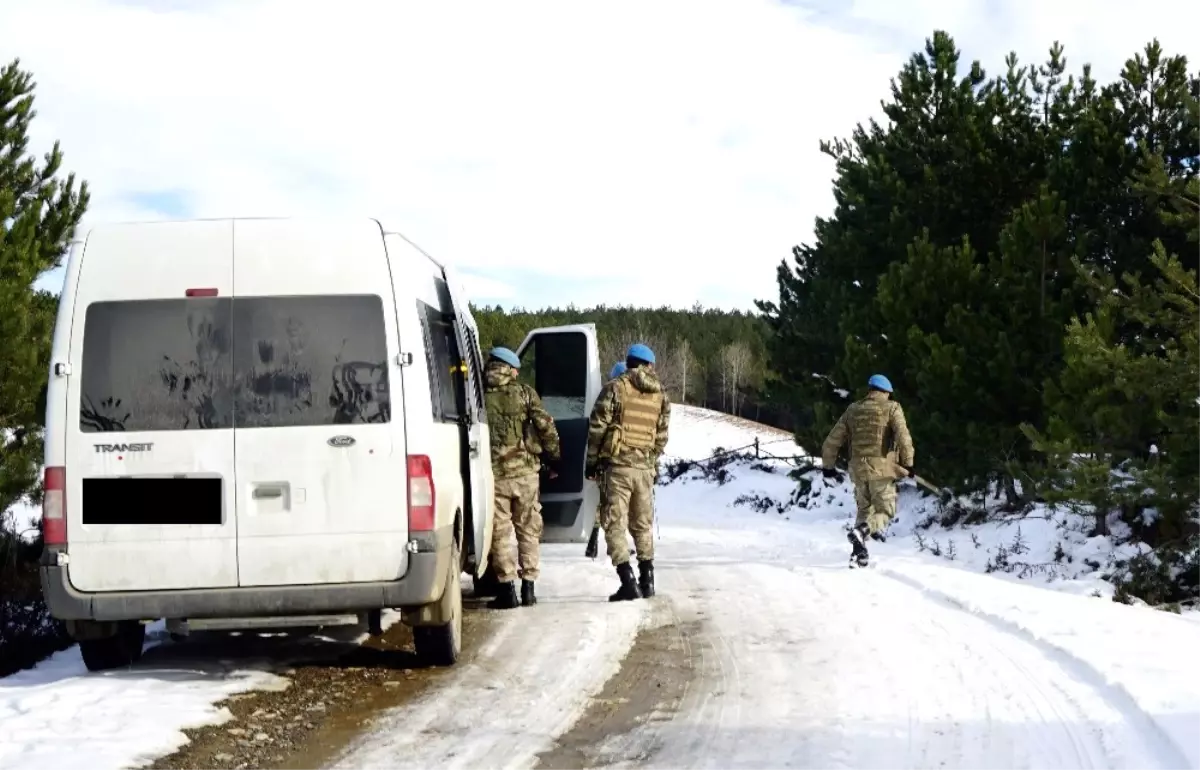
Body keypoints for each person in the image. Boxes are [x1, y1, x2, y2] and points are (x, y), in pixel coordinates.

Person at [586, 343, 670, 601]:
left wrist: (591, 462)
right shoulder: (661, 395)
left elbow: (597, 428)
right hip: (644, 470)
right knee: (642, 525)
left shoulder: (615, 388)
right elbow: (662, 436)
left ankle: (628, 581)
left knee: (615, 524)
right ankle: (648, 580)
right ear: (650, 365)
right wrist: (649, 461)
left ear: (628, 361)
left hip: (618, 468)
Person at [483, 346, 562, 609]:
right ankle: (529, 588)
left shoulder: (478, 395)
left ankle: (507, 591)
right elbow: (546, 427)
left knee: (499, 532)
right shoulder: (525, 394)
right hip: (526, 474)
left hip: (494, 477)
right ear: (511, 369)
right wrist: (554, 458)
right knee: (528, 528)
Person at [820, 373, 915, 567]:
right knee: (886, 511)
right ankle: (864, 531)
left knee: (864, 510)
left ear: (870, 390)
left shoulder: (853, 410)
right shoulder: (892, 408)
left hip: (857, 469)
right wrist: (908, 463)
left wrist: (828, 467)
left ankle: (858, 554)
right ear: (886, 392)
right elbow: (903, 438)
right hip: (881, 468)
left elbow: (831, 441)